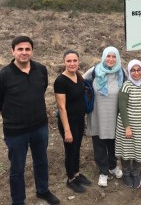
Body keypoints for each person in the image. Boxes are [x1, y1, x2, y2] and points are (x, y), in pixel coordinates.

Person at [0, 36, 59, 205]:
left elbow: (41, 90)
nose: (24, 52)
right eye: (20, 49)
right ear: (12, 51)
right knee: (17, 168)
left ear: (32, 51)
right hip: (15, 131)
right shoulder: (3, 75)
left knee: (41, 160)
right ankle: (18, 200)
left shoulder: (41, 70)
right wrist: (12, 115)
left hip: (40, 126)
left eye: (27, 49)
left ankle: (43, 190)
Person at [83, 46, 125, 187]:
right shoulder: (94, 71)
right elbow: (79, 82)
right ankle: (103, 171)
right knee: (99, 144)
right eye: (108, 56)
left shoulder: (122, 73)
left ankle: (113, 166)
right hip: (97, 115)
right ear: (103, 57)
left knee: (113, 143)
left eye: (114, 56)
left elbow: (132, 86)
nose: (111, 59)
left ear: (117, 58)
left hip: (115, 115)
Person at [115, 59, 141, 189]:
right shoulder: (126, 86)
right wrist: (127, 127)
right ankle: (127, 174)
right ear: (129, 72)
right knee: (126, 151)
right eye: (133, 70)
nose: (136, 73)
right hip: (127, 124)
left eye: (139, 70)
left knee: (139, 151)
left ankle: (136, 173)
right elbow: (122, 108)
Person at [54, 49, 92, 193]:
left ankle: (76, 173)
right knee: (70, 150)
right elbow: (62, 108)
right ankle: (70, 179)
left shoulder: (78, 76)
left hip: (79, 120)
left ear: (78, 61)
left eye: (74, 60)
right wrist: (67, 130)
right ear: (64, 62)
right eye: (69, 61)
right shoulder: (60, 81)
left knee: (77, 148)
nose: (72, 63)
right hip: (67, 123)